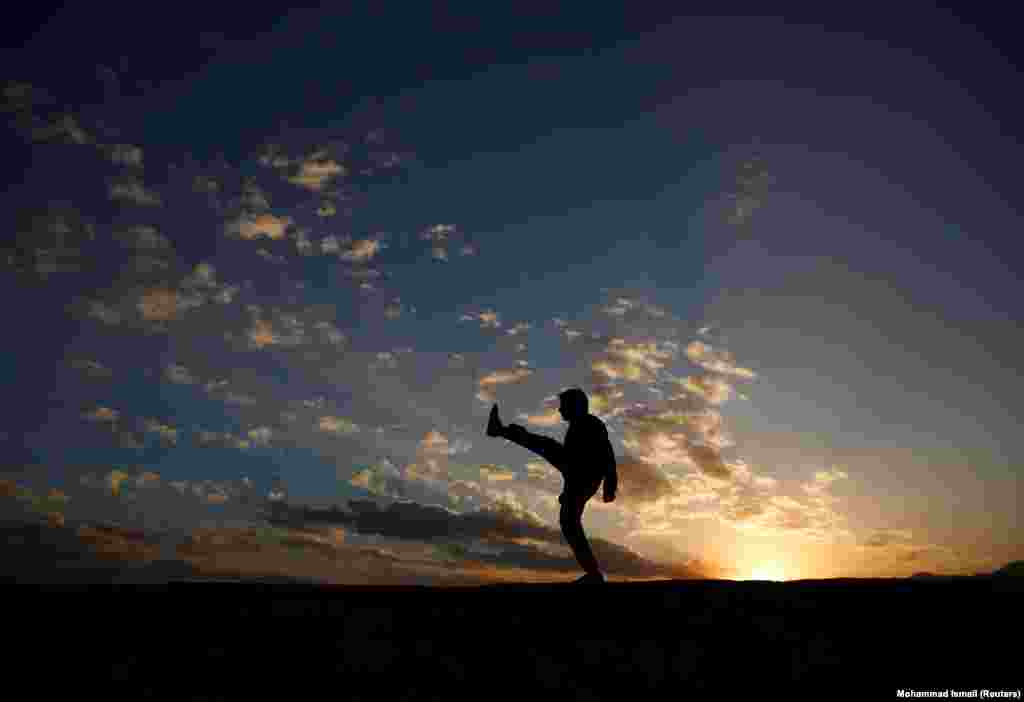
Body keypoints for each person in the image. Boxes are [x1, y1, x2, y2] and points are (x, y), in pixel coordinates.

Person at [486, 388, 617, 584]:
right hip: (577, 474)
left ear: (575, 406)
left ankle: (593, 574)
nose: (559, 410)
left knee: (568, 521)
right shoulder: (577, 426)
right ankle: (593, 574)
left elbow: (606, 453)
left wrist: (610, 482)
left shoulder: (591, 424)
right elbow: (575, 469)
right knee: (568, 522)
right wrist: (571, 492)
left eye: (563, 406)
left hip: (585, 475)